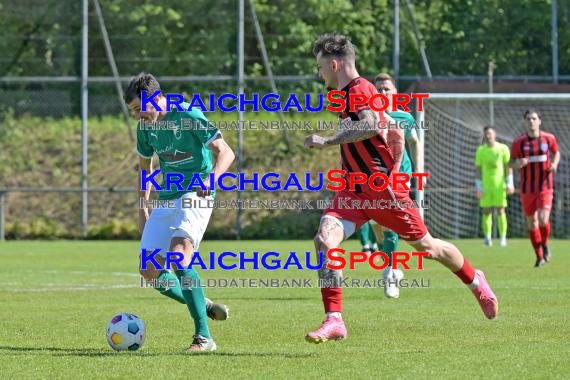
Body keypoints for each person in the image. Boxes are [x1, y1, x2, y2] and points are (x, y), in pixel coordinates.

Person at [304, 33, 498, 343]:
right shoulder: (344, 94)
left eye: (321, 66)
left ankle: (476, 281)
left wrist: (328, 140)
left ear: (335, 63)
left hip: (384, 192)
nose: (320, 73)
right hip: (353, 189)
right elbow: (384, 127)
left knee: (429, 248)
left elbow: (368, 124)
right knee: (325, 240)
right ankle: (335, 319)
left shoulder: (360, 89)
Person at [124, 73, 235, 352]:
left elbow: (226, 152)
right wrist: (142, 207)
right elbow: (144, 168)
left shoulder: (187, 114)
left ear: (154, 97)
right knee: (148, 267)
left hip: (195, 194)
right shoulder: (145, 127)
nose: (137, 115)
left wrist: (212, 179)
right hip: (167, 199)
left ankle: (204, 338)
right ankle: (202, 302)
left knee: (178, 255)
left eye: (139, 108)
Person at [371, 72, 426, 299]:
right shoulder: (367, 117)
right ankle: (391, 264)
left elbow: (415, 142)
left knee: (390, 226)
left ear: (395, 92)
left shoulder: (404, 116)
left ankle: (390, 274)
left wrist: (419, 171)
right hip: (373, 177)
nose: (383, 92)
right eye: (379, 89)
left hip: (399, 177)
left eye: (387, 89)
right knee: (375, 225)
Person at [509, 109, 560, 267]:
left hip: (545, 186)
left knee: (544, 219)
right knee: (532, 223)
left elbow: (556, 152)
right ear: (525, 122)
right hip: (527, 189)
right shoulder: (519, 142)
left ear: (539, 121)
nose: (531, 121)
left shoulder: (548, 138)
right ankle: (539, 256)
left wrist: (554, 164)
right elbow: (510, 163)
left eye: (534, 118)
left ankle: (544, 245)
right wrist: (518, 164)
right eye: (528, 119)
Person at [475, 126, 514, 247]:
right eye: (486, 134)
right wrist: (479, 186)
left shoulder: (503, 148)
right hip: (486, 186)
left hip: (499, 186)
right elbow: (478, 169)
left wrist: (510, 183)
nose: (488, 136)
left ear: (495, 134)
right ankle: (487, 238)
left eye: (490, 133)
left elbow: (508, 167)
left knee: (501, 210)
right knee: (486, 211)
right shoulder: (481, 150)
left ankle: (503, 238)